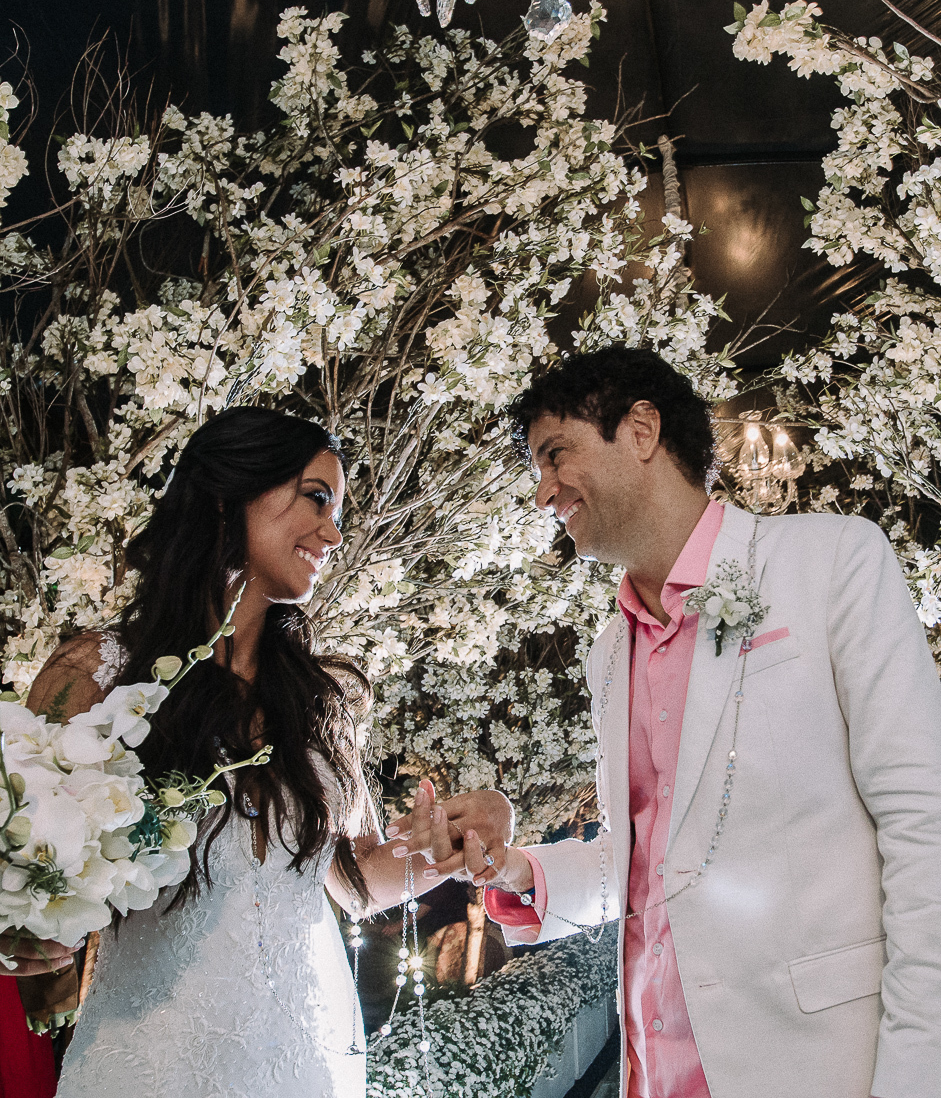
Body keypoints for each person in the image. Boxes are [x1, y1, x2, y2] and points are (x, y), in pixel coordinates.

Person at [462, 346, 940, 1098]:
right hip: (656, 1072)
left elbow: (924, 826)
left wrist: (915, 1076)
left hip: (818, 1067)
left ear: (642, 430)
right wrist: (516, 867)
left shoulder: (832, 562)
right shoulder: (607, 650)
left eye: (554, 456)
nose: (543, 491)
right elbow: (654, 861)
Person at [0, 407, 484, 1098]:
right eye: (316, 498)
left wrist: (441, 849)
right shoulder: (99, 673)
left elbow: (351, 884)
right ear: (229, 493)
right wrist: (26, 925)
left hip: (306, 1060)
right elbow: (21, 849)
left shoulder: (324, 701)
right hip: (149, 1063)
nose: (333, 531)